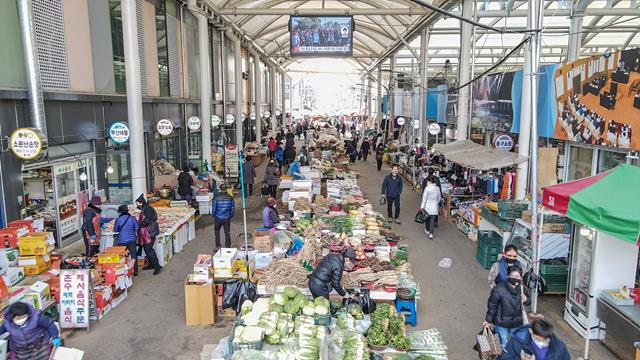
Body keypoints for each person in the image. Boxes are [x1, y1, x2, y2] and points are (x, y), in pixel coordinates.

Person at [484, 266, 531, 349]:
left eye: (517, 276)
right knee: (503, 345)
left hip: (516, 322)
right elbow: (492, 306)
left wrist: (526, 299)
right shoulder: (499, 289)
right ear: (508, 276)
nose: (514, 278)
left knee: (517, 344)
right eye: (512, 276)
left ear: (521, 277)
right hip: (501, 323)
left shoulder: (523, 289)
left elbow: (529, 302)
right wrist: (488, 320)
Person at [500, 319, 571, 360]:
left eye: (546, 340)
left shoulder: (559, 347)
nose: (542, 343)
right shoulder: (517, 341)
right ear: (530, 331)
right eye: (538, 339)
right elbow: (504, 358)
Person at [135, 194, 162, 275]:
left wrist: (140, 224)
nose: (137, 205)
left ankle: (157, 265)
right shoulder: (145, 208)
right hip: (147, 231)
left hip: (150, 231)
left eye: (137, 204)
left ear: (141, 202)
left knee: (149, 249)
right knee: (146, 248)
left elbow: (147, 220)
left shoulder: (148, 209)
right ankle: (151, 264)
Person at [114, 204, 139, 276]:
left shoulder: (118, 219)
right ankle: (135, 271)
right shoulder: (133, 218)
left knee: (122, 256)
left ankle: (122, 271)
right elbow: (137, 228)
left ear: (120, 212)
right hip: (132, 240)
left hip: (122, 240)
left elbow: (116, 230)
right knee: (133, 255)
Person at [211, 183, 235, 249]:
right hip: (227, 217)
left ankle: (217, 245)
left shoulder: (216, 197)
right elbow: (232, 208)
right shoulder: (230, 198)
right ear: (226, 189)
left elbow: (213, 208)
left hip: (218, 217)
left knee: (217, 231)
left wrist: (214, 215)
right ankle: (228, 246)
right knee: (227, 232)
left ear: (220, 189)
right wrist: (230, 216)